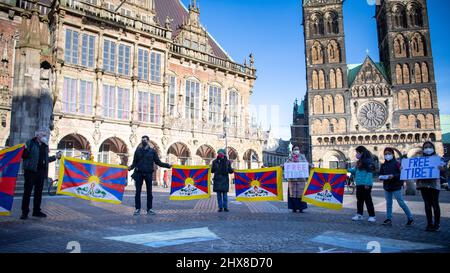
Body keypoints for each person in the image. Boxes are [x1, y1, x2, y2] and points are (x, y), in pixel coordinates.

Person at [20, 129, 62, 220]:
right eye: (43, 135)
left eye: (45, 135)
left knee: (38, 193)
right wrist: (24, 150)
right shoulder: (30, 142)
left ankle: (36, 211)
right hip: (30, 171)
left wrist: (56, 157)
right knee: (27, 192)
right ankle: (24, 212)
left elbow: (46, 160)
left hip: (41, 172)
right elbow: (23, 155)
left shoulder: (45, 146)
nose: (45, 137)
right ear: (37, 135)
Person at [128, 136, 172, 216]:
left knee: (149, 193)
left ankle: (149, 209)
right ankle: (137, 209)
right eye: (142, 140)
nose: (143, 141)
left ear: (148, 141)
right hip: (139, 173)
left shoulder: (152, 151)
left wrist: (168, 165)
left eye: (144, 140)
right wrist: (130, 167)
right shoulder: (138, 151)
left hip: (148, 173)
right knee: (137, 192)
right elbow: (134, 162)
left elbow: (158, 162)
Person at [379, 148, 414, 226]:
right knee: (388, 203)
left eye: (389, 153)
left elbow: (402, 173)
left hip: (396, 185)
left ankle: (410, 217)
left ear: (393, 154)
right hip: (387, 186)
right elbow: (380, 174)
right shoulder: (383, 165)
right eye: (385, 154)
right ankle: (388, 218)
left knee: (401, 202)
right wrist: (381, 177)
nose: (387, 155)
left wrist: (393, 176)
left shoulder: (397, 163)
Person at [416, 141, 445, 231]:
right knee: (427, 205)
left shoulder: (438, 158)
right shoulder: (420, 159)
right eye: (425, 147)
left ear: (433, 148)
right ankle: (429, 223)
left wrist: (441, 169)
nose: (427, 149)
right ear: (423, 149)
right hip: (423, 184)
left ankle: (437, 224)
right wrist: (404, 168)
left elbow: (444, 171)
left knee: (435, 204)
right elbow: (414, 170)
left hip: (434, 185)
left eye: (429, 147)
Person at [349, 146, 376, 222]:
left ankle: (372, 216)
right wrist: (346, 170)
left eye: (357, 152)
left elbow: (369, 173)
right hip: (359, 184)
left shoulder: (368, 161)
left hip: (366, 184)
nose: (356, 154)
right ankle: (359, 214)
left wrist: (367, 184)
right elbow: (355, 170)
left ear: (361, 153)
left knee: (368, 200)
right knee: (359, 200)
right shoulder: (359, 162)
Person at [284, 145, 308, 213]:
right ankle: (293, 208)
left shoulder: (302, 157)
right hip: (292, 181)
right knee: (293, 194)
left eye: (297, 149)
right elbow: (286, 165)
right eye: (295, 149)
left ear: (299, 150)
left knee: (301, 194)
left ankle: (301, 208)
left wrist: (310, 165)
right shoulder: (290, 158)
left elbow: (306, 164)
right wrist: (282, 166)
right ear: (292, 150)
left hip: (300, 180)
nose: (296, 150)